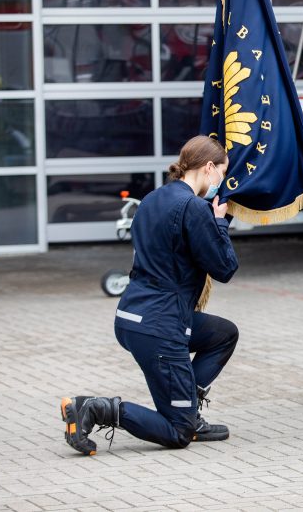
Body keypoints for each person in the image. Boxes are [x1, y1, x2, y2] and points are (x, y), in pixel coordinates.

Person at [61, 136, 240, 455]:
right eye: (222, 174)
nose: (220, 183)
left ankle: (186, 399)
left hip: (132, 317)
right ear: (209, 168)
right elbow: (225, 268)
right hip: (161, 325)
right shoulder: (195, 208)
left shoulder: (153, 199)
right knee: (178, 431)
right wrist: (220, 223)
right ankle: (95, 408)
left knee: (222, 334)